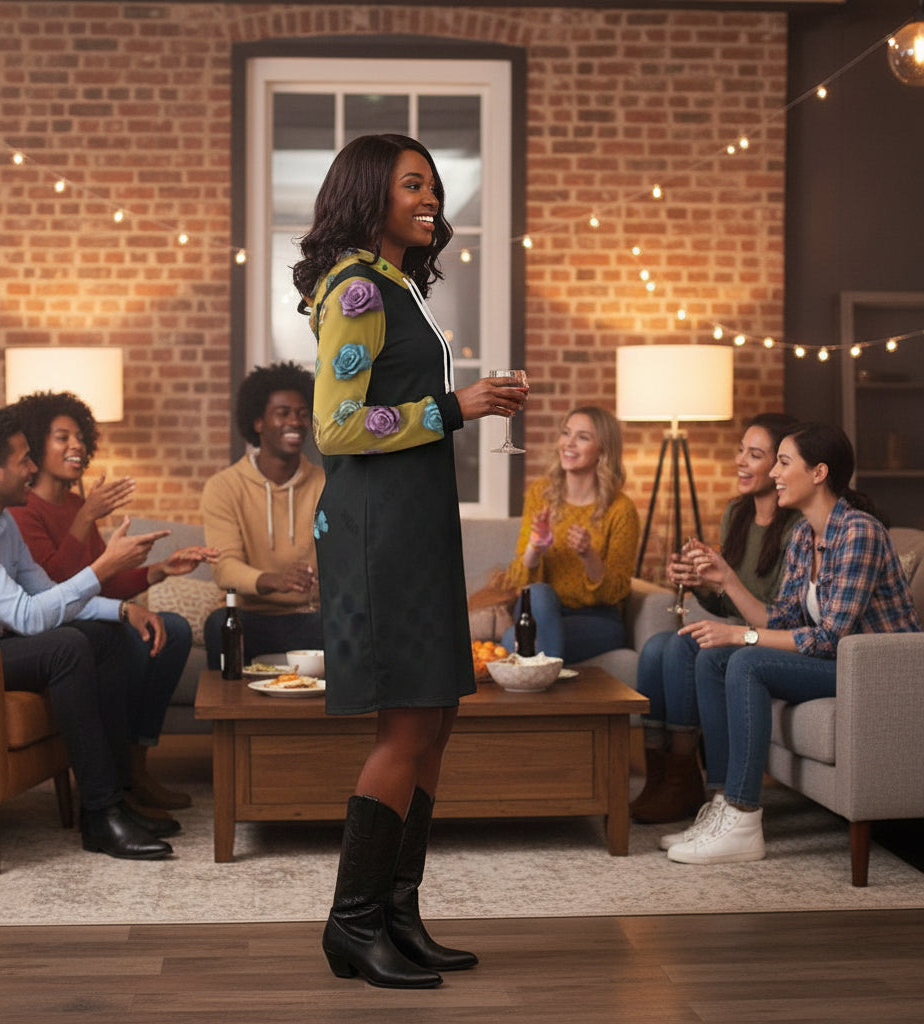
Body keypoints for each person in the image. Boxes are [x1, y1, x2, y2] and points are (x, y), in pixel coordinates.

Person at [292, 133, 526, 989]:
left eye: (434, 185)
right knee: (408, 723)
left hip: (416, 524)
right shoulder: (356, 288)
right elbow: (337, 428)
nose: (430, 198)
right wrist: (456, 406)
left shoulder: (395, 284)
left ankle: (397, 913)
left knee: (437, 715)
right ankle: (353, 926)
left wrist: (470, 402)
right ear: (369, 195)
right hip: (377, 529)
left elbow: (397, 406)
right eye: (412, 184)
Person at [0, 408, 180, 860]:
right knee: (67, 646)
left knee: (100, 634)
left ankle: (109, 806)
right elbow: (28, 617)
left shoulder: (1, 520)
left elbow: (48, 594)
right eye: (24, 459)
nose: (32, 469)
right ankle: (102, 812)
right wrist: (103, 568)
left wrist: (122, 610)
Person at [664, 422, 920, 865]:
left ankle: (744, 818)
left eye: (784, 462)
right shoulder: (805, 534)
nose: (776, 474)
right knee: (714, 660)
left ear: (818, 472)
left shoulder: (859, 532)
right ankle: (724, 802)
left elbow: (830, 639)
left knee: (745, 662)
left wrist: (740, 635)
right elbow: (779, 619)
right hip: (837, 663)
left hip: (875, 676)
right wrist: (726, 578)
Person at [10, 390, 217, 812]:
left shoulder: (73, 504)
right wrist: (87, 517)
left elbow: (99, 583)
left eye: (80, 437)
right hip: (53, 629)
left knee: (172, 629)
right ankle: (115, 778)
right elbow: (56, 587)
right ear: (35, 443)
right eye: (61, 437)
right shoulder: (22, 511)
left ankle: (136, 766)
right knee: (125, 641)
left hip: (90, 616)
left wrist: (161, 569)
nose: (76, 446)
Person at [630, 413, 800, 825]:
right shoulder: (736, 513)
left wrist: (723, 581)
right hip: (744, 627)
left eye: (755, 455)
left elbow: (777, 613)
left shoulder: (796, 525)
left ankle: (697, 785)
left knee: (684, 646)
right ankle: (667, 776)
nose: (741, 461)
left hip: (769, 635)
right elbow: (726, 605)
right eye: (741, 450)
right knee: (655, 648)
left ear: (779, 465)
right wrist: (699, 581)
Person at [200, 361, 324, 666]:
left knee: (359, 622)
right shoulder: (224, 487)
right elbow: (224, 568)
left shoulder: (326, 484)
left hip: (312, 618)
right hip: (251, 618)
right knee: (219, 625)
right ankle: (229, 713)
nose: (295, 421)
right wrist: (275, 580)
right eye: (283, 413)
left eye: (302, 413)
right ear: (258, 422)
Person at [501, 406, 640, 664]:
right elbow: (521, 581)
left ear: (603, 450)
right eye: (566, 433)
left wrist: (589, 555)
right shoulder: (541, 493)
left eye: (583, 437)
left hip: (597, 619)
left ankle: (537, 677)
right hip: (543, 611)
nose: (569, 443)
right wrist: (535, 546)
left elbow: (617, 591)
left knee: (513, 641)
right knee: (539, 594)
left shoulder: (621, 509)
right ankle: (550, 694)